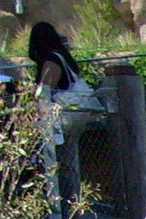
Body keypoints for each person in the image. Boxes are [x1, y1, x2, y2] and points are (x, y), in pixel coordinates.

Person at [28, 22, 99, 203]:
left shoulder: (51, 60)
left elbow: (45, 90)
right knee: (69, 161)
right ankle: (75, 206)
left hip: (62, 118)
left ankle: (63, 208)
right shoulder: (64, 57)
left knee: (57, 163)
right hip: (75, 116)